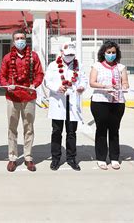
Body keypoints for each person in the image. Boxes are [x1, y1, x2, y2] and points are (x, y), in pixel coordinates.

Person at [0, 29, 44, 172]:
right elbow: (2, 75)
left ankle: (28, 157)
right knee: (12, 128)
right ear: (13, 41)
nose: (20, 40)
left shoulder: (34, 56)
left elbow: (39, 74)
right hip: (12, 97)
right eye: (17, 38)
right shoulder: (7, 58)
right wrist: (7, 84)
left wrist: (34, 84)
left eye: (22, 38)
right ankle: (12, 157)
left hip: (29, 97)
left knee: (29, 128)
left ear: (26, 40)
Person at [44, 43, 87, 171]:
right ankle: (55, 159)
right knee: (56, 132)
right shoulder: (53, 65)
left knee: (71, 132)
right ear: (62, 53)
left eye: (72, 55)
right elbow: (47, 81)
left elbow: (83, 80)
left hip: (73, 102)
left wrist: (82, 87)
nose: (70, 57)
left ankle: (71, 158)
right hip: (58, 101)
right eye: (67, 54)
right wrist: (57, 88)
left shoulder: (79, 66)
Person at [89, 41, 129, 170]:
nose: (111, 55)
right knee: (101, 130)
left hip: (117, 102)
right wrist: (105, 87)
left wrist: (122, 87)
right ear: (103, 53)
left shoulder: (121, 67)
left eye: (113, 52)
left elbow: (125, 83)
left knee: (114, 130)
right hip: (100, 101)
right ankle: (101, 158)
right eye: (108, 52)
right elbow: (92, 82)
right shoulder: (97, 66)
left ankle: (114, 157)